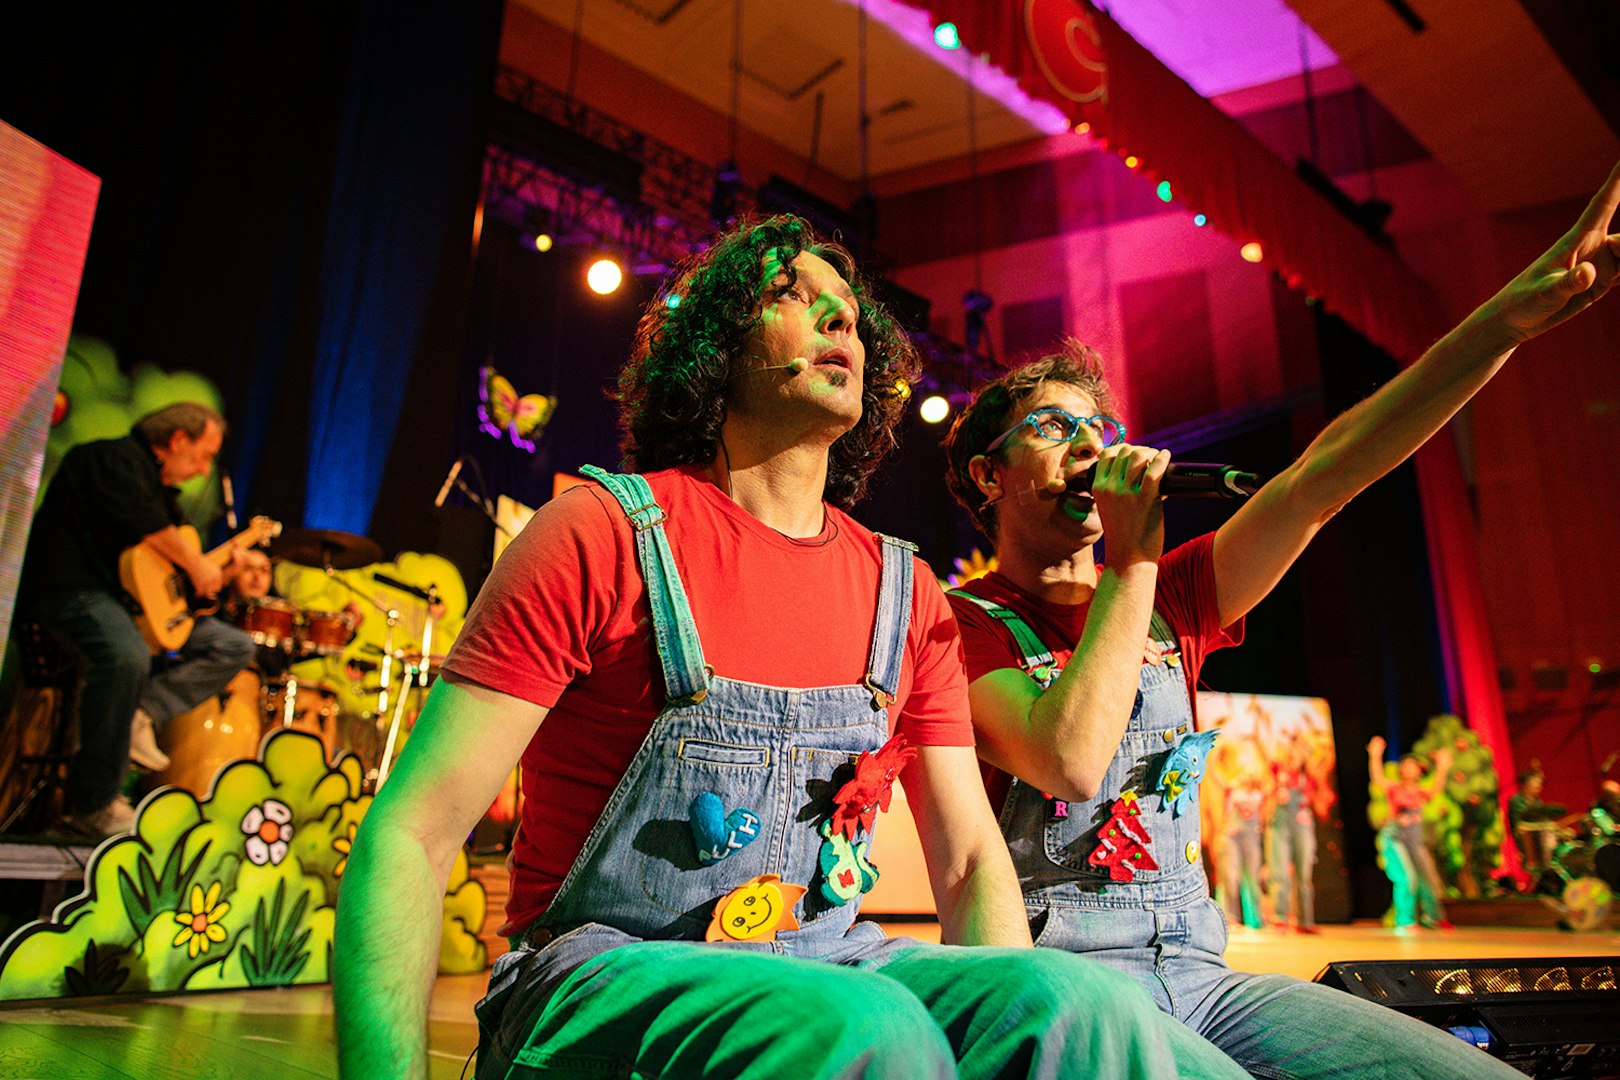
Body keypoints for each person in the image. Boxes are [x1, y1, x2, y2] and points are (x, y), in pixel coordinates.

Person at [334, 216, 1246, 1080]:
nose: (837, 312)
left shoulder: (904, 591)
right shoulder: (599, 533)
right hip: (598, 976)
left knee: (1074, 1002)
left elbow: (970, 863)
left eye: (846, 306)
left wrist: (1016, 1027)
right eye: (789, 292)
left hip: (833, 964)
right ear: (718, 349)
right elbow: (411, 835)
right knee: (866, 1028)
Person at [941, 161, 1620, 1076]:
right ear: (990, 476)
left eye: (1099, 427)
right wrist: (1134, 563)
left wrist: (1502, 324)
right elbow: (1065, 758)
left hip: (1203, 966)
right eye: (1055, 428)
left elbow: (1325, 475)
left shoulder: (1175, 592)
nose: (1091, 444)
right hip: (1069, 978)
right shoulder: (958, 623)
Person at [16, 402, 257, 837]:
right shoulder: (111, 458)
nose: (204, 470)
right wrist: (197, 565)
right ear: (177, 439)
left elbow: (173, 582)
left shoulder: (165, 498)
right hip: (74, 591)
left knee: (233, 644)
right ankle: (91, 806)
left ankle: (143, 711)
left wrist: (216, 574)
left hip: (130, 607)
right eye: (203, 454)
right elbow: (142, 524)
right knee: (125, 655)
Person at [1368, 736, 1454, 927]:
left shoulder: (1420, 792)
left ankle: (1434, 917)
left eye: (1412, 766)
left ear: (1419, 771)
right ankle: (1405, 919)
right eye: (1405, 765)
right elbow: (1378, 778)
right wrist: (1375, 755)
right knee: (1407, 878)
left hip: (1414, 839)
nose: (1408, 769)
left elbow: (1436, 787)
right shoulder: (1394, 788)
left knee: (1428, 877)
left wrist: (1442, 766)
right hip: (1395, 837)